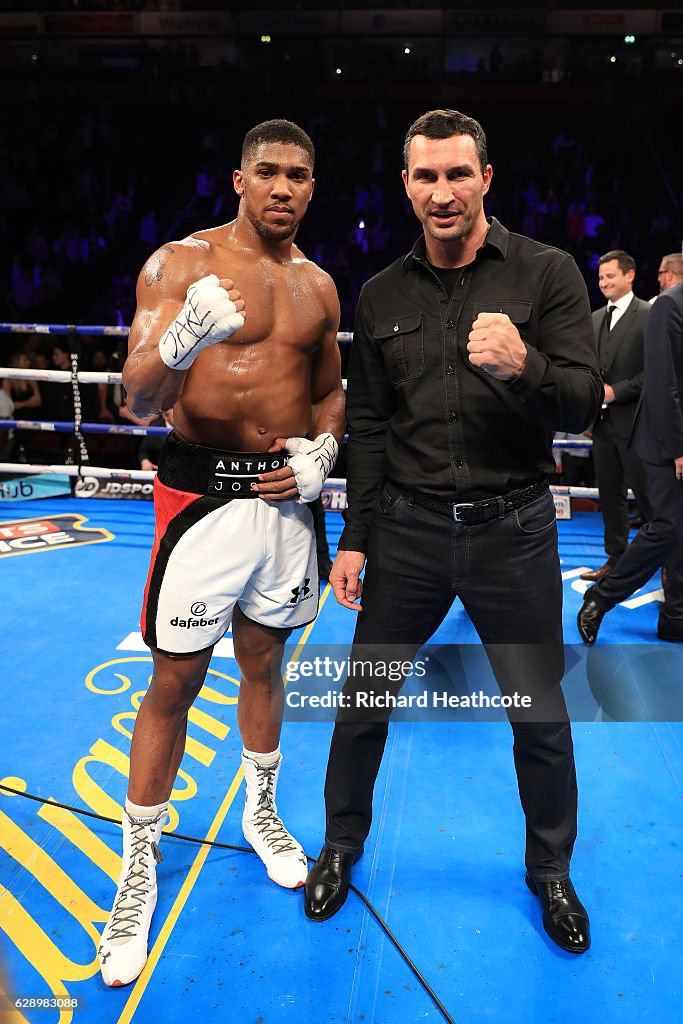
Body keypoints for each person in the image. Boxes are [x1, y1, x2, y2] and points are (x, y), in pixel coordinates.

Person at [303, 109, 602, 954]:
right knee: (362, 702)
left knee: (539, 715)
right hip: (404, 530)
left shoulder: (547, 275)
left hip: (513, 529)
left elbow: (584, 402)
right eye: (425, 176)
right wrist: (353, 537)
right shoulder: (382, 294)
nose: (442, 192)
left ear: (485, 179)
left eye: (456, 175)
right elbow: (367, 424)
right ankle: (341, 845)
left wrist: (528, 366)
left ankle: (549, 871)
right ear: (405, 185)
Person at [98, 119, 344, 987]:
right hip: (197, 496)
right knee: (174, 681)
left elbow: (328, 393)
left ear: (313, 188)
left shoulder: (318, 286)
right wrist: (178, 344)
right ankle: (138, 870)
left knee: (266, 667)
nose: (283, 188)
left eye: (299, 176)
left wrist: (325, 451)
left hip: (284, 502)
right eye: (268, 172)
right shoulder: (178, 264)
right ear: (237, 179)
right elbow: (135, 401)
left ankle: (262, 814)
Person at [578, 280, 683, 644]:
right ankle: (602, 597)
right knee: (668, 525)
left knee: (679, 529)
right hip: (665, 439)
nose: (603, 282)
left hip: (669, 437)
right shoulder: (669, 305)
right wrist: (677, 447)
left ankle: (675, 617)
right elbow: (661, 383)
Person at [580, 251, 652, 583]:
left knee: (650, 499)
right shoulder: (594, 319)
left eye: (610, 275)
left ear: (630, 275)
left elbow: (656, 373)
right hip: (603, 427)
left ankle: (664, 563)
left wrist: (616, 391)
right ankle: (615, 560)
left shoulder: (649, 314)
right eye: (600, 277)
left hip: (639, 425)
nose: (604, 282)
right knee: (610, 498)